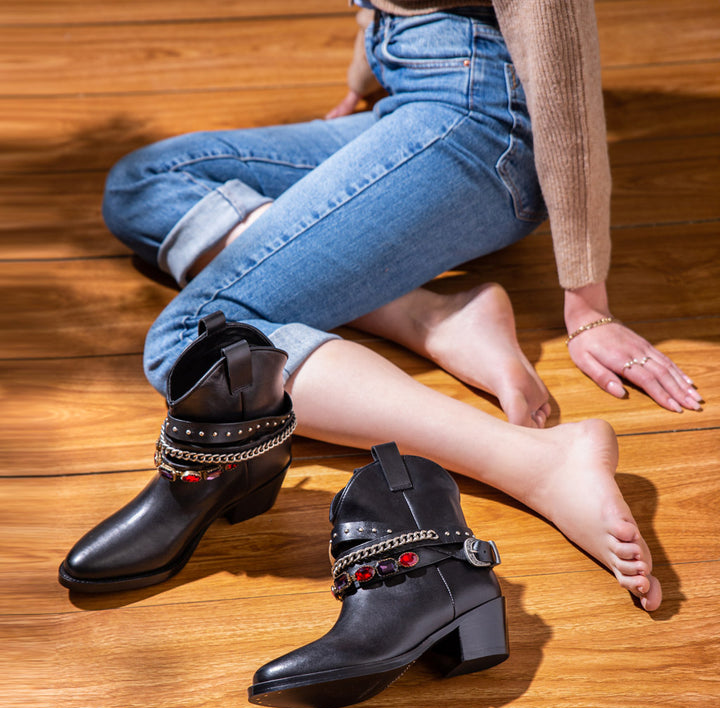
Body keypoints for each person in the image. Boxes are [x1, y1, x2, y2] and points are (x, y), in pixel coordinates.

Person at [88, 0, 691, 611]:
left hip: (485, 128)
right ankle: (429, 315)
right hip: (411, 96)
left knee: (196, 341)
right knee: (146, 184)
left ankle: (540, 461)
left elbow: (561, 59)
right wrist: (365, 75)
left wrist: (587, 301)